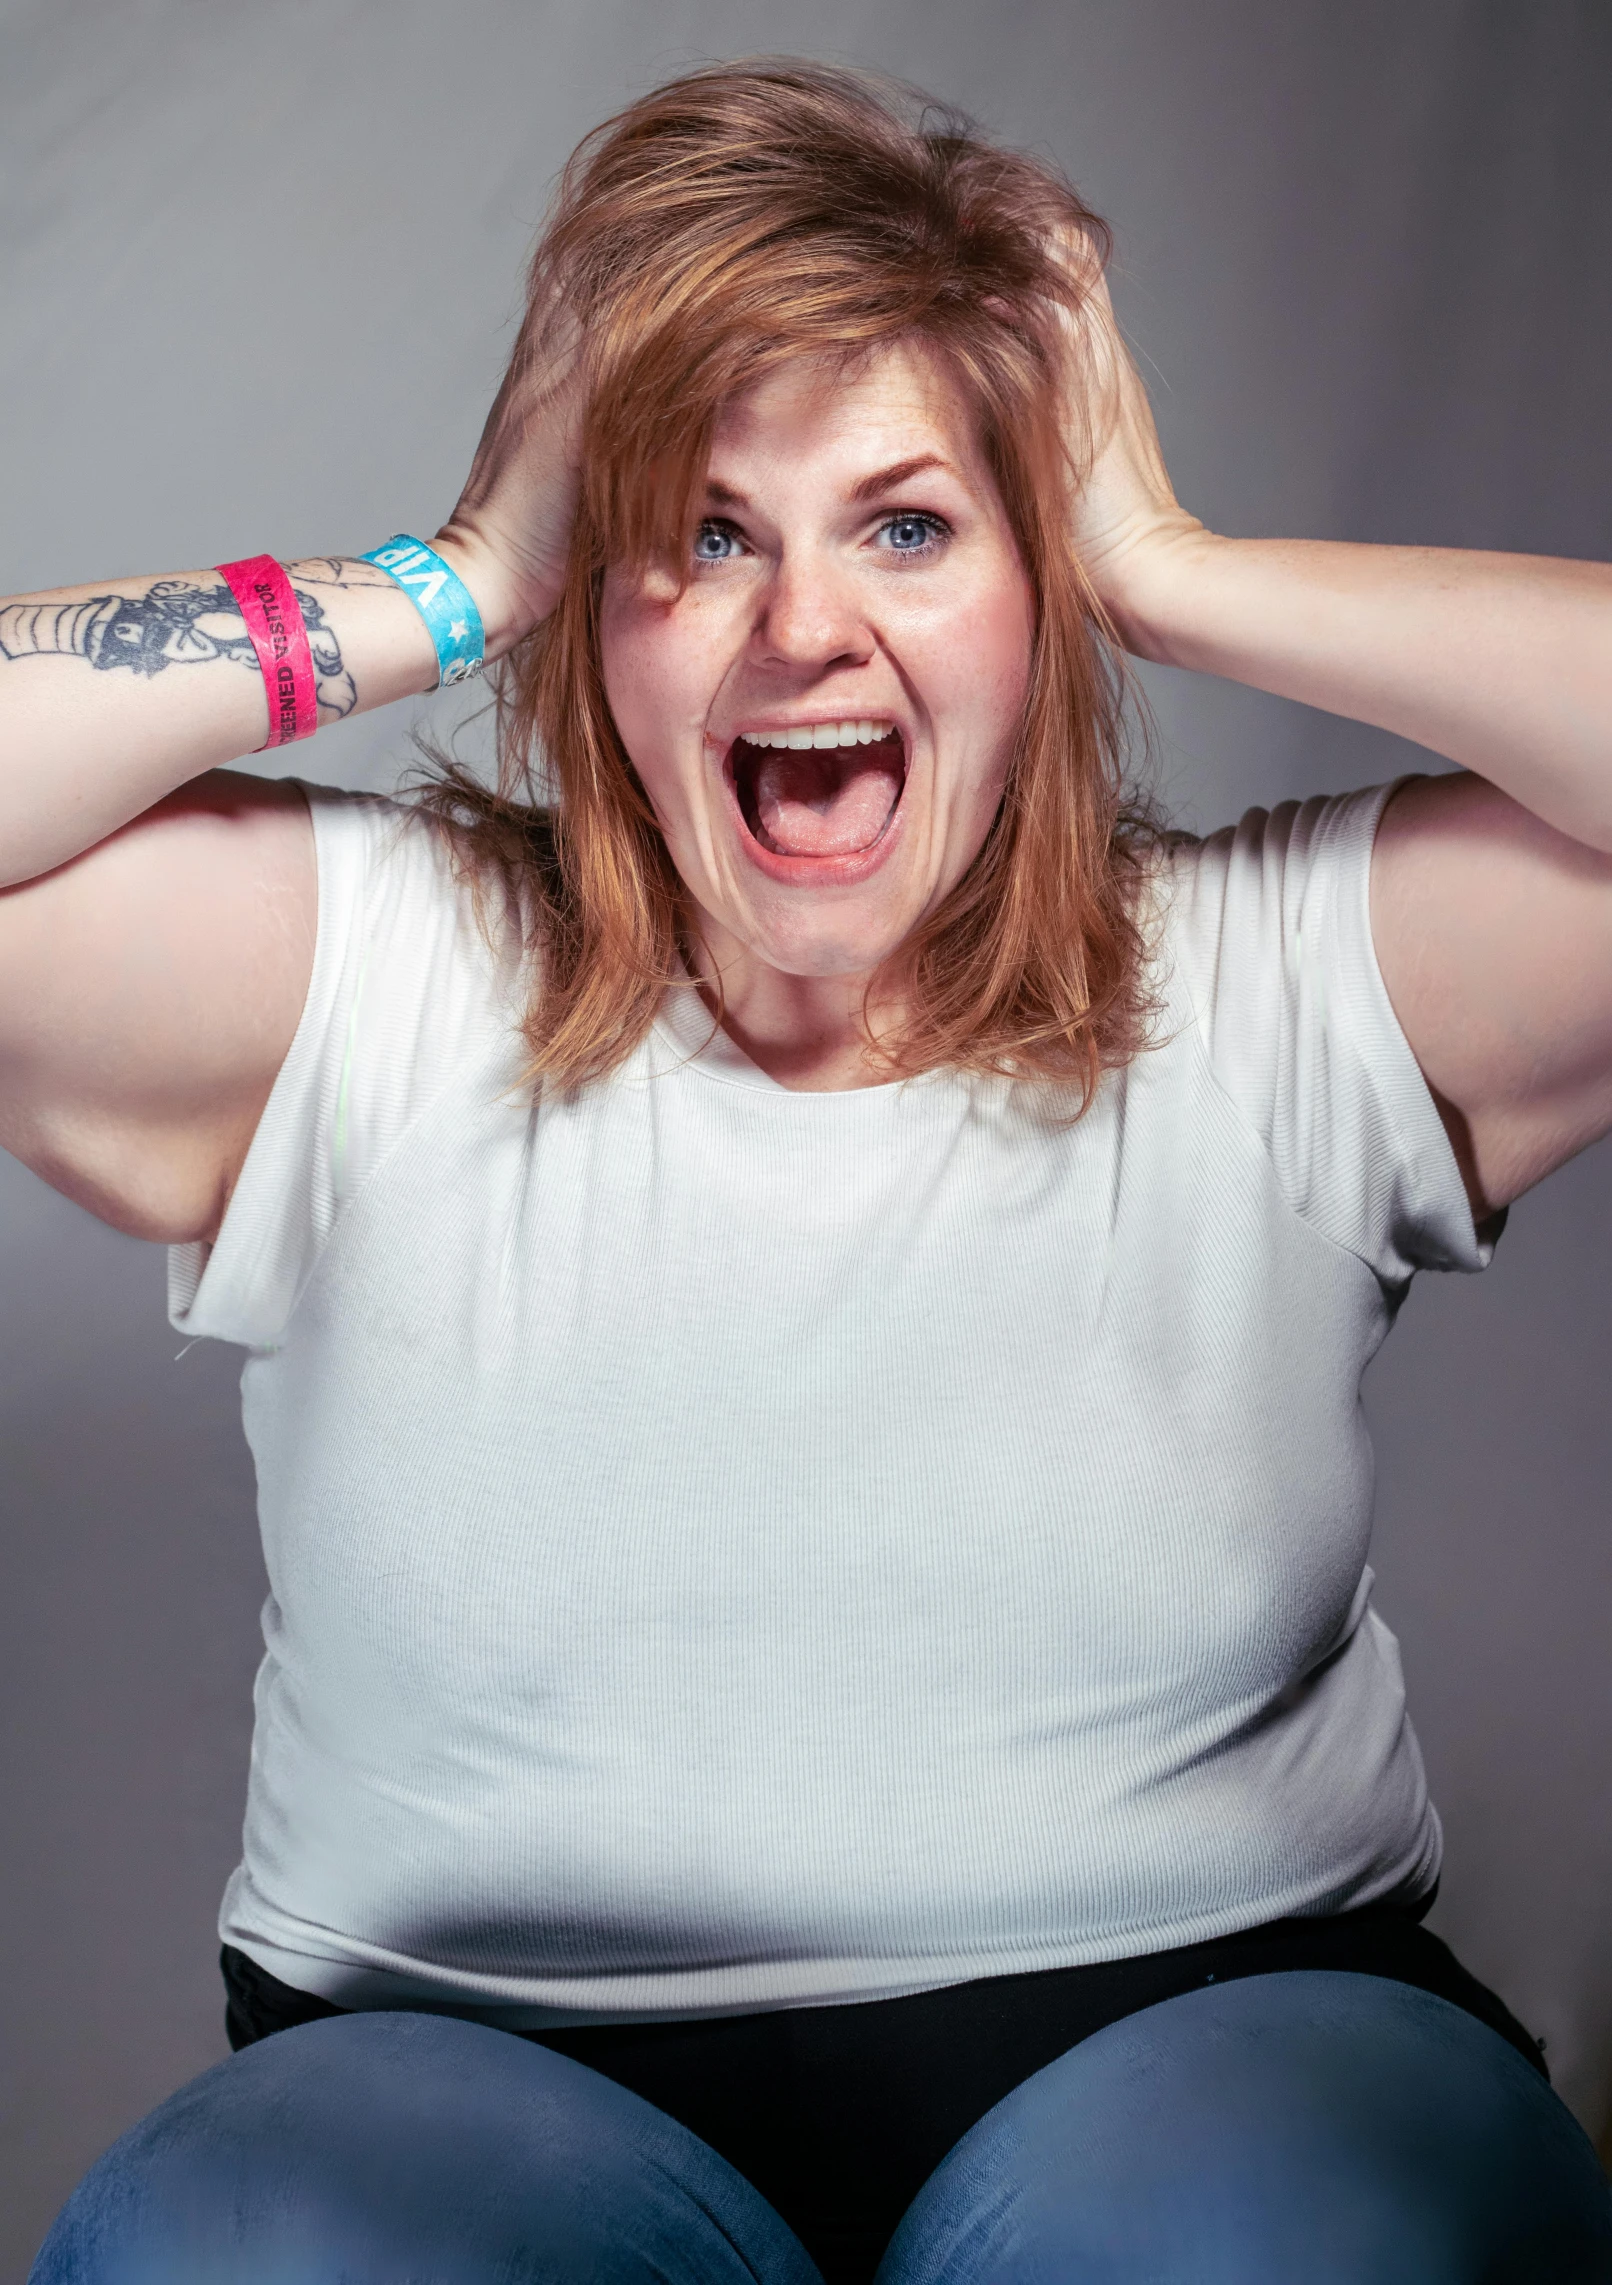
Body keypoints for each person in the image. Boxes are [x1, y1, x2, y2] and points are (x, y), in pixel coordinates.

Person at [8, 56, 1612, 2285]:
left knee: (1274, 2237)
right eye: (701, 534)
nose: (799, 630)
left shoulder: (1275, 979)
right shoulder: (367, 980)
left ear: (1029, 602)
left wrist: (1168, 564)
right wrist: (451, 571)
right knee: (255, 2248)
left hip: (1222, 2050)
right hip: (466, 2099)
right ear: (598, 614)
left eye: (909, 524)